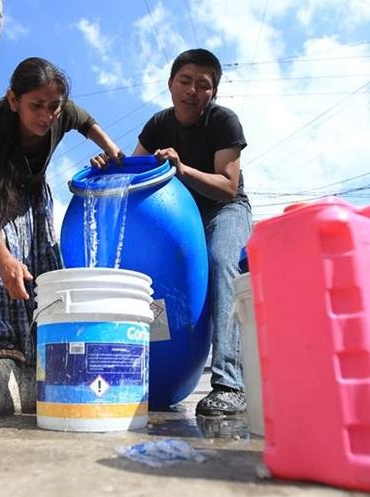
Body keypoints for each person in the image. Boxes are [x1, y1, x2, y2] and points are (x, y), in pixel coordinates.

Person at [0, 57, 123, 363]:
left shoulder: (60, 112)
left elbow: (85, 121)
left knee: (42, 263)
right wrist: (3, 259)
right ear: (14, 100)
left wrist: (112, 151)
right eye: (36, 105)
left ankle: (42, 344)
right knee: (0, 257)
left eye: (53, 106)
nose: (46, 115)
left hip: (30, 189)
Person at [130, 48, 252, 416]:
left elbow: (228, 186)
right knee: (151, 277)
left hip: (225, 212)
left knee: (220, 261)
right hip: (182, 219)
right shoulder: (157, 125)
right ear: (170, 84)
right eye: (185, 81)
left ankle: (230, 383)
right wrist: (109, 161)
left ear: (212, 93)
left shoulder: (223, 121)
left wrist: (181, 169)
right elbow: (133, 172)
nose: (192, 91)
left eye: (203, 85)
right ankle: (147, 373)